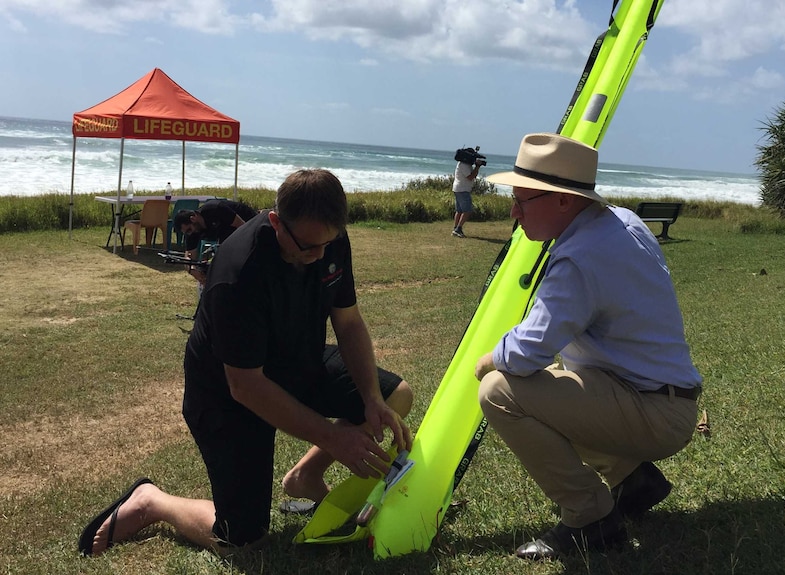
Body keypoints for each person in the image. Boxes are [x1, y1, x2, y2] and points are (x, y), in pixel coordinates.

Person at [78, 169, 413, 556]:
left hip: (294, 363)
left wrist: (371, 397)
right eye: (308, 247)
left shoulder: (325, 236)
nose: (319, 255)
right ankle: (153, 501)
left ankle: (305, 476)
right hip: (226, 392)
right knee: (242, 542)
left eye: (328, 243)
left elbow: (349, 321)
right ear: (275, 222)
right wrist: (333, 436)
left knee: (394, 397)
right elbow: (246, 386)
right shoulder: (238, 273)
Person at [474, 133, 702, 560]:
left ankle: (591, 517)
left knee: (499, 391)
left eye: (523, 200)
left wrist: (488, 359)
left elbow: (526, 353)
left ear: (563, 201)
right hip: (661, 400)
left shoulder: (580, 257)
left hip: (652, 410)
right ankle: (633, 480)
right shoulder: (620, 222)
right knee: (555, 387)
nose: (514, 212)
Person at [175, 199, 258, 286]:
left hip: (248, 222)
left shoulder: (215, 209)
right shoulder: (192, 231)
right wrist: (192, 270)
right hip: (226, 232)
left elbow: (243, 227)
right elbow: (189, 256)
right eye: (187, 232)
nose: (190, 233)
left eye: (189, 229)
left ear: (193, 218)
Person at [451, 150, 482, 238]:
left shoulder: (464, 164)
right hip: (462, 189)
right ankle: (458, 229)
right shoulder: (464, 165)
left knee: (460, 210)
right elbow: (470, 177)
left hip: (459, 188)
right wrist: (477, 166)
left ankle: (456, 228)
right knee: (467, 210)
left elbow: (473, 175)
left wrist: (476, 167)